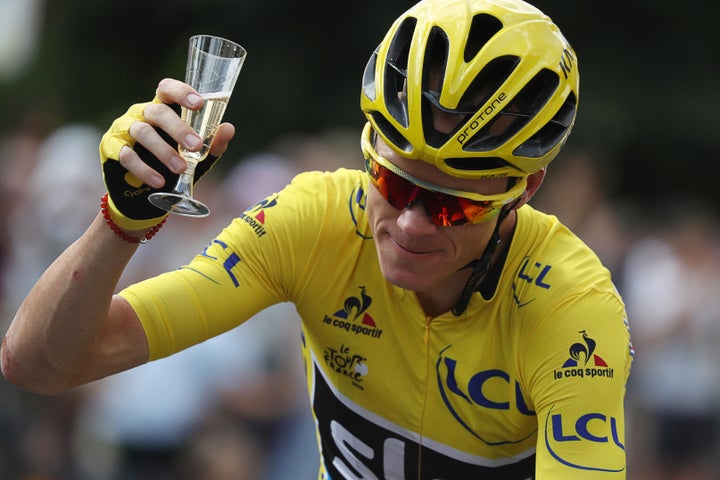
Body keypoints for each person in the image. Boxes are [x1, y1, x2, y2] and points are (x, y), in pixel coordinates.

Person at [1, 0, 634, 478]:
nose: (412, 223)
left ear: (523, 190)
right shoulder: (314, 223)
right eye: (394, 181)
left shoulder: (571, 309)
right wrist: (122, 222)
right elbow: (39, 366)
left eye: (453, 207)